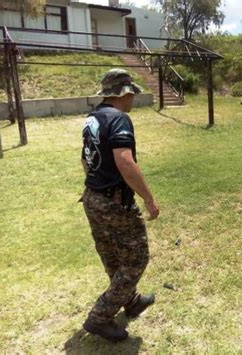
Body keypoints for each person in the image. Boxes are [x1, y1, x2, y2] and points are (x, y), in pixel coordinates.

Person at [80, 69, 159, 342]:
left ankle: (132, 301)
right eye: (132, 94)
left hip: (92, 197)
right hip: (114, 201)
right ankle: (100, 317)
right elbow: (125, 162)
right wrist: (148, 198)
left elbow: (86, 158)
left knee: (113, 256)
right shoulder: (119, 118)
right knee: (136, 259)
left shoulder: (93, 117)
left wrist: (97, 184)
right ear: (124, 93)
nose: (133, 99)